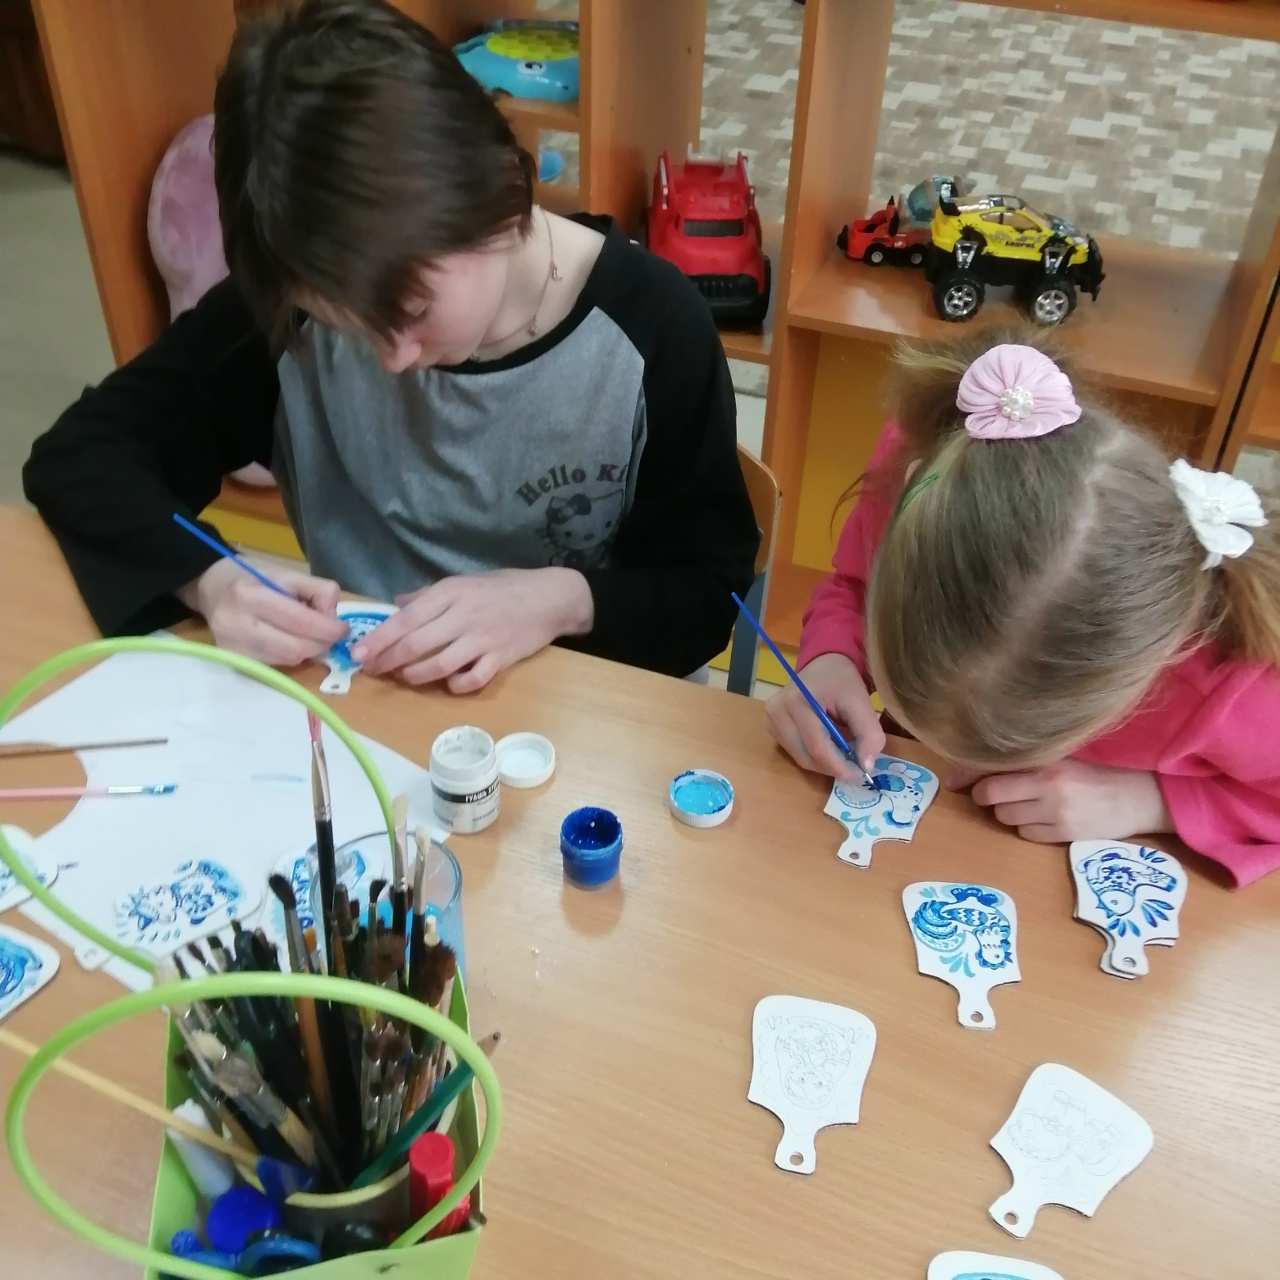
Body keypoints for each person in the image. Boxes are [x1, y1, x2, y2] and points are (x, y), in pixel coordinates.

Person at [23, 0, 758, 693]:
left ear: (501, 191)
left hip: (578, 716)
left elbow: (706, 591)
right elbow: (83, 454)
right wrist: (211, 577)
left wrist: (562, 601)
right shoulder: (293, 312)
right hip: (369, 710)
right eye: (351, 325)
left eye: (412, 311)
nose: (391, 359)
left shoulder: (652, 329)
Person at [766, 329, 1280, 886]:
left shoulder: (1236, 686)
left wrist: (1149, 801)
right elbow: (854, 584)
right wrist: (834, 655)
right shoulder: (936, 465)